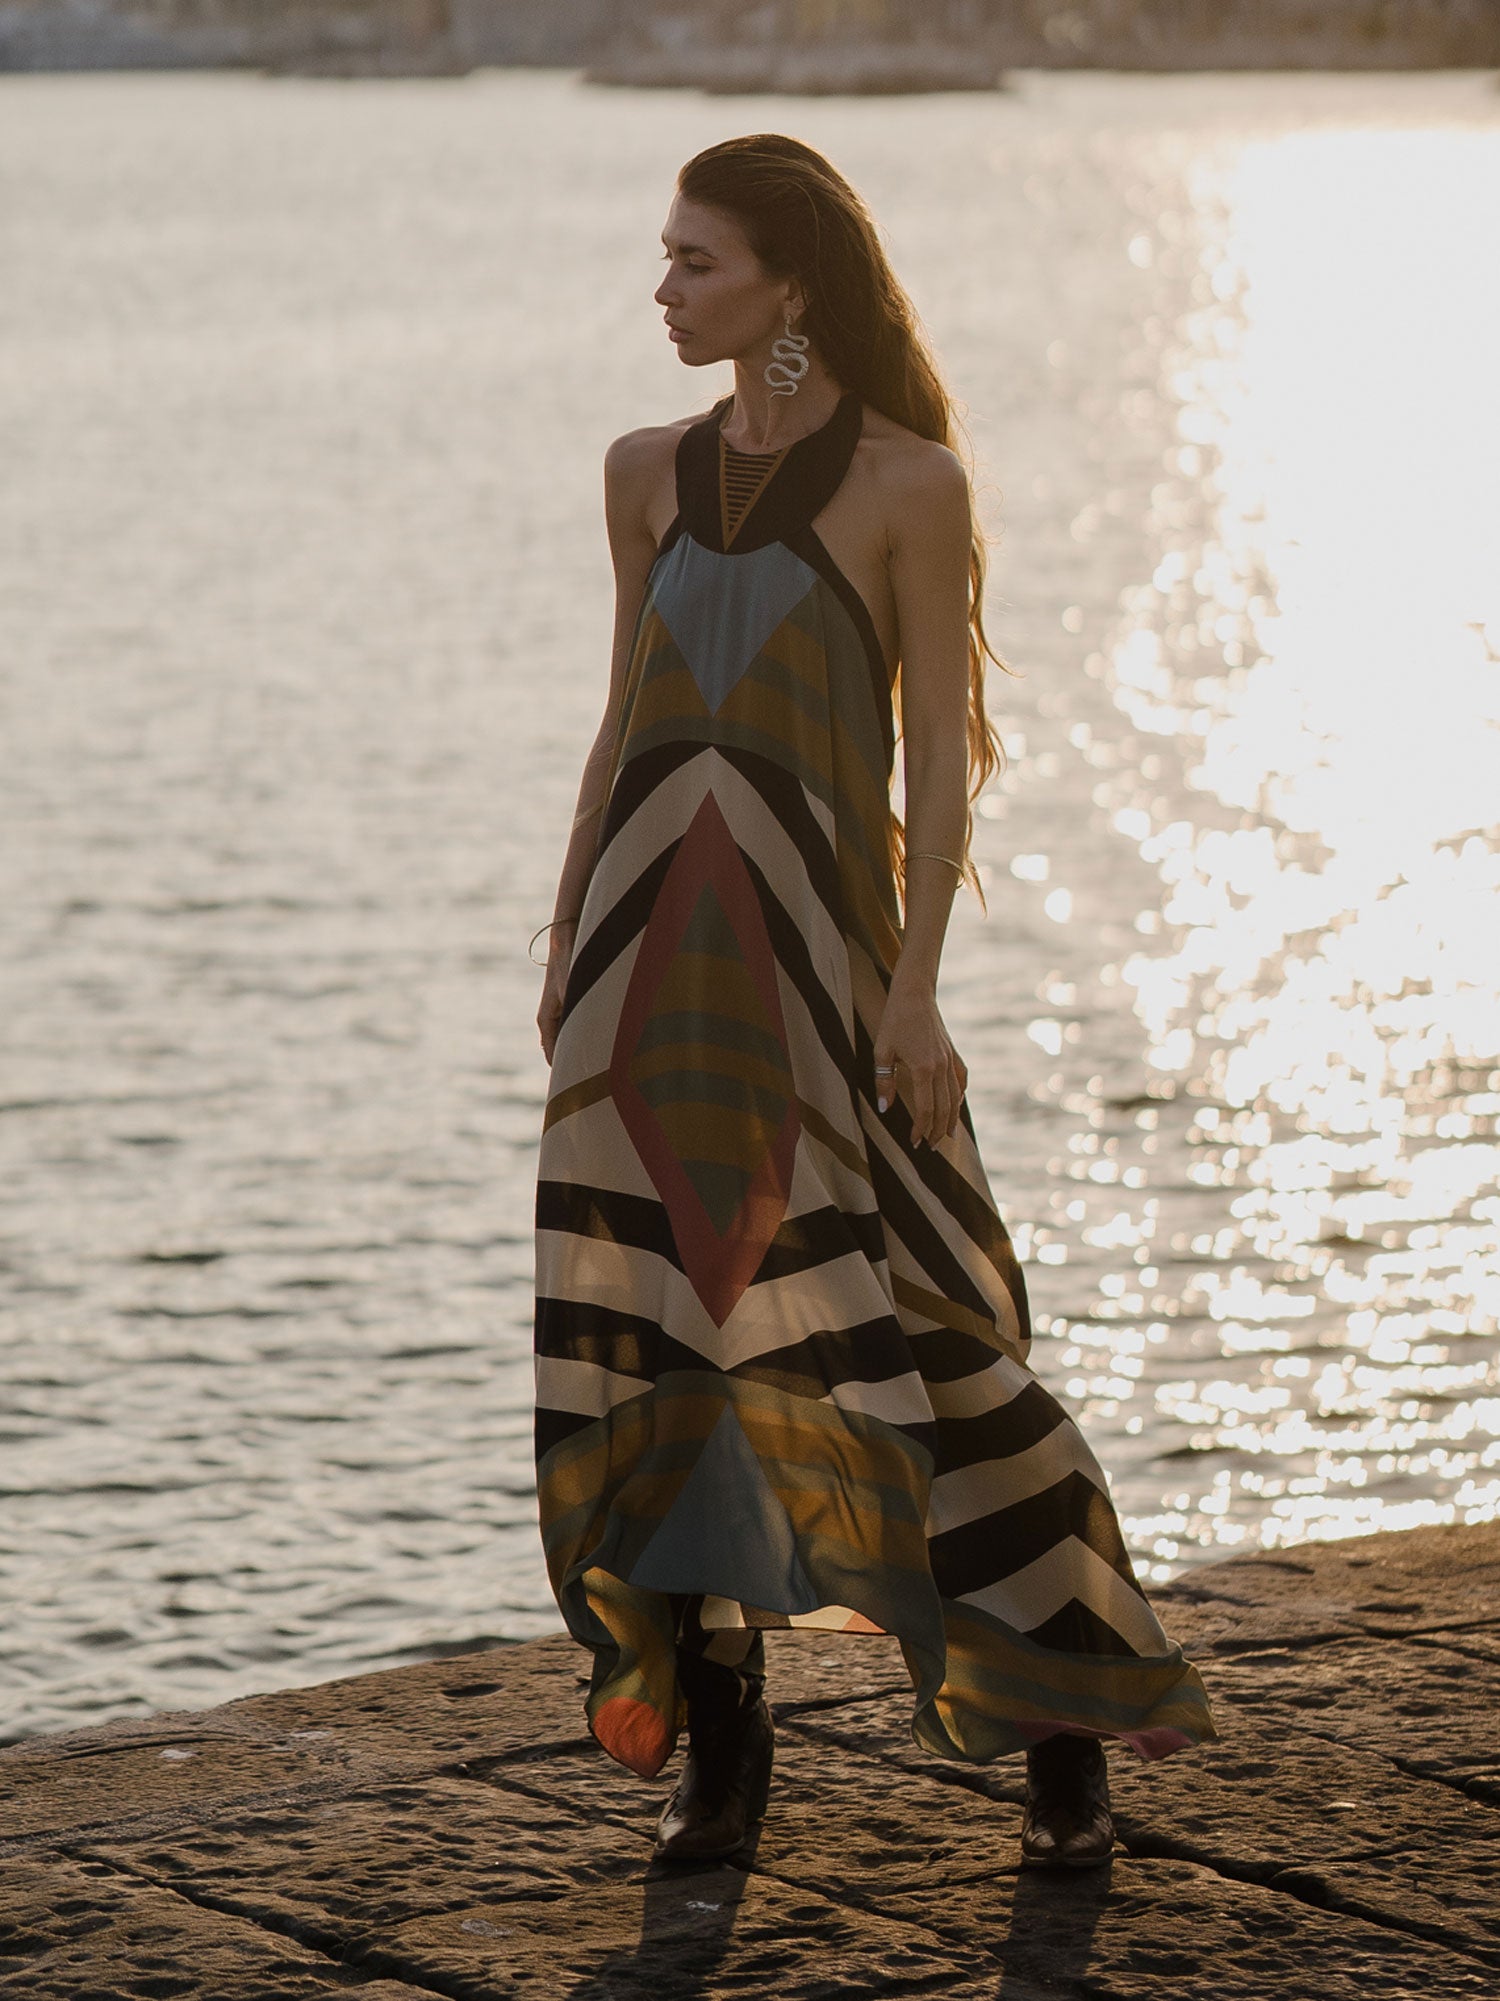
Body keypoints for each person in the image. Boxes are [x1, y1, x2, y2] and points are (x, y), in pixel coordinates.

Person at [532, 133, 1214, 1871]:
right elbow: (623, 721)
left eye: (696, 261)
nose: (664, 288)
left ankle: (1059, 1719)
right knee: (673, 1336)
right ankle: (725, 1749)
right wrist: (562, 946)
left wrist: (918, 992)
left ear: (791, 287)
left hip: (828, 979)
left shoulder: (912, 486)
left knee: (935, 1335)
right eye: (665, 255)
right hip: (648, 970)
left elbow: (937, 764)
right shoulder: (638, 471)